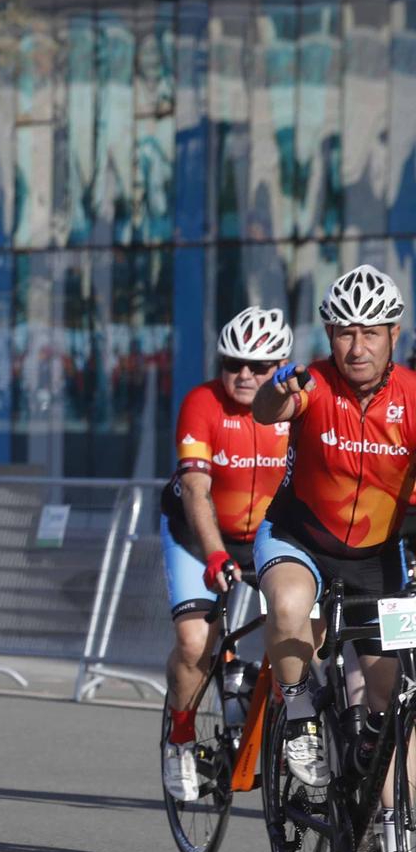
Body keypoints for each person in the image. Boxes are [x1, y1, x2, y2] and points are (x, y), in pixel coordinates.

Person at [251, 264, 413, 809]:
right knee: (292, 604)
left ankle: (367, 754)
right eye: (345, 332)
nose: (357, 347)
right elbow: (271, 408)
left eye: (371, 333)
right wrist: (276, 392)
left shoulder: (412, 398)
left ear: (395, 334)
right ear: (329, 336)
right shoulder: (313, 384)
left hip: (375, 555)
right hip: (300, 536)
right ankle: (297, 713)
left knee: (388, 694)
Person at [158, 307, 293, 801]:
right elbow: (196, 489)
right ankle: (181, 737)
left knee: (305, 636)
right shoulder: (202, 402)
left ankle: (287, 729)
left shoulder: (294, 407)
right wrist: (215, 555)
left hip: (268, 536)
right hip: (198, 533)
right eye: (233, 363)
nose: (243, 375)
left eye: (258, 367)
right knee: (196, 642)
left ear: (280, 364)